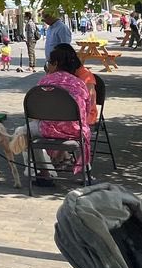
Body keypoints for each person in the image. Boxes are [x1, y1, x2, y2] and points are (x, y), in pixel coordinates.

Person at [22, 44, 92, 185]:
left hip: (47, 128)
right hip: (75, 130)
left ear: (55, 64)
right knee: (84, 132)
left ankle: (44, 172)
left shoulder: (44, 81)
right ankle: (86, 173)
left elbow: (35, 109)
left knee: (25, 131)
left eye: (49, 63)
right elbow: (87, 111)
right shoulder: (79, 84)